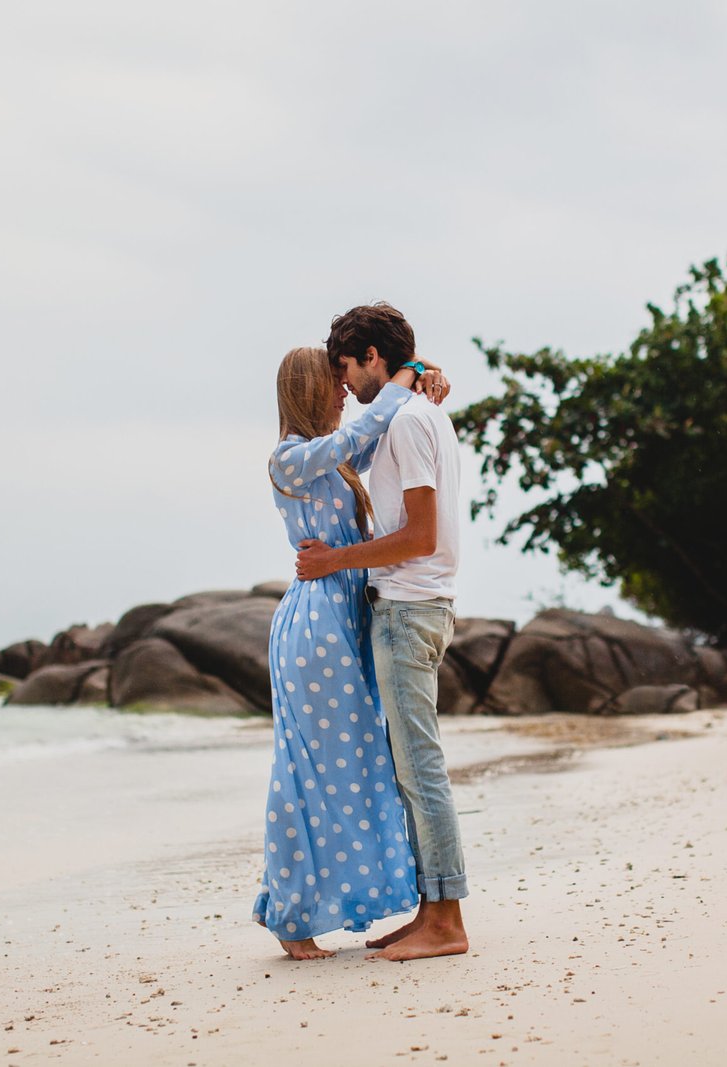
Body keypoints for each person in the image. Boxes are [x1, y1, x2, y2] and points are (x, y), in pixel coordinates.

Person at [253, 345, 447, 960]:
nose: (345, 392)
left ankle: (348, 901)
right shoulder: (292, 459)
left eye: (346, 380)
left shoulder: (337, 461)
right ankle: (290, 915)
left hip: (348, 612)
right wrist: (408, 374)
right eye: (333, 384)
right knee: (306, 770)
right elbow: (368, 423)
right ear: (308, 390)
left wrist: (424, 373)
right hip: (316, 625)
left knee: (359, 766)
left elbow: (382, 427)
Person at [296, 303, 468, 962]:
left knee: (419, 767)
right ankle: (432, 911)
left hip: (406, 608)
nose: (345, 387)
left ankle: (446, 918)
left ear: (372, 357)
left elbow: (420, 535)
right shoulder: (419, 413)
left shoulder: (409, 422)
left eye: (346, 369)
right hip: (416, 606)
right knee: (411, 767)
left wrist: (332, 559)